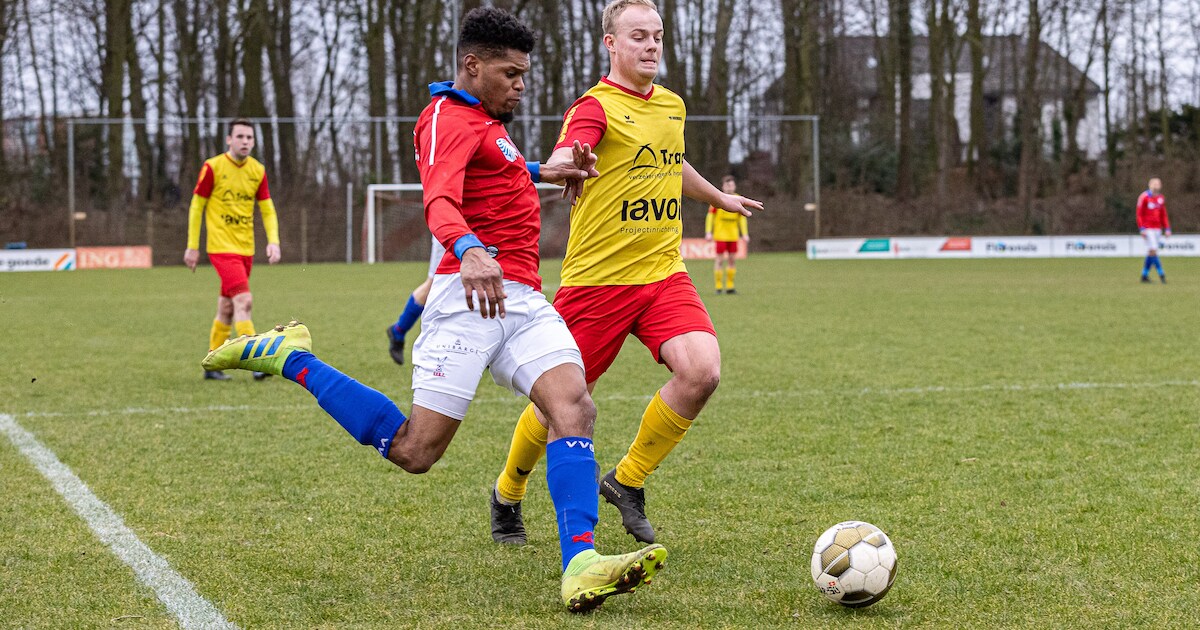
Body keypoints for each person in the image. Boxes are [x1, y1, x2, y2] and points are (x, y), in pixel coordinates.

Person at [202, 7, 665, 613]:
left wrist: (541, 170)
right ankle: (292, 358)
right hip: (467, 296)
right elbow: (440, 197)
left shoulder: (485, 120)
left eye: (525, 73)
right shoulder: (446, 116)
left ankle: (580, 562)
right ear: (472, 65)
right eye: (510, 73)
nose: (521, 84)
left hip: (520, 296)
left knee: (573, 405)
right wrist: (469, 249)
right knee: (415, 451)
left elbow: (495, 167)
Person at [489, 0, 763, 546]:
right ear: (611, 43)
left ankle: (627, 481)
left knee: (702, 371)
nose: (652, 46)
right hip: (597, 283)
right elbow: (572, 147)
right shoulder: (595, 106)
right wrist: (571, 159)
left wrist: (717, 199)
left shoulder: (671, 106)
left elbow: (671, 160)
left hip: (663, 273)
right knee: (557, 404)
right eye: (638, 36)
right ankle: (507, 491)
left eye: (657, 36)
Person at [185, 118, 282, 381]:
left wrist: (273, 240)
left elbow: (267, 208)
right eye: (240, 137)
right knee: (244, 300)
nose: (245, 142)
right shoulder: (213, 167)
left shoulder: (257, 170)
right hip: (220, 247)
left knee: (227, 307)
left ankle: (213, 361)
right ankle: (257, 361)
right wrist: (192, 246)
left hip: (246, 249)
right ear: (229, 139)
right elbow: (196, 207)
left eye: (249, 138)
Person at [386, 236, 442, 365]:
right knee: (433, 284)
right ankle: (398, 331)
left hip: (482, 229)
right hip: (453, 230)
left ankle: (482, 347)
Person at [705, 174, 750, 294]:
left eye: (731, 185)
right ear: (723, 187)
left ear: (734, 186)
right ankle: (718, 286)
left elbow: (742, 218)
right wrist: (708, 232)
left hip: (733, 235)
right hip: (720, 235)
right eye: (727, 185)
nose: (729, 187)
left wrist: (744, 234)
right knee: (719, 260)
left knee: (732, 260)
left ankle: (730, 286)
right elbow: (710, 216)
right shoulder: (718, 199)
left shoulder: (738, 199)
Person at [1137, 177, 1170, 284]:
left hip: (1157, 229)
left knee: (1151, 252)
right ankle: (1162, 275)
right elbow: (1139, 214)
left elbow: (1163, 215)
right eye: (1154, 184)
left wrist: (1167, 228)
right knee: (1154, 250)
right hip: (1148, 229)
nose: (1156, 186)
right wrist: (1141, 227)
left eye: (1158, 184)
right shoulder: (1144, 197)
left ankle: (1144, 275)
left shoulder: (1161, 198)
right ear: (1150, 185)